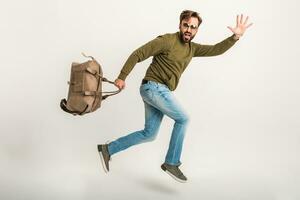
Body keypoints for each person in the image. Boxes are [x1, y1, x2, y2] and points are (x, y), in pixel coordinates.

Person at [97, 10, 253, 183]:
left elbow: (215, 50)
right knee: (184, 119)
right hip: (153, 88)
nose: (189, 30)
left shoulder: (192, 48)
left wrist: (234, 38)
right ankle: (171, 162)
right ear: (180, 25)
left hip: (157, 90)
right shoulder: (167, 41)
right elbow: (138, 53)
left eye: (193, 27)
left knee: (149, 134)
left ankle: (108, 149)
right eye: (186, 25)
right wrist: (122, 76)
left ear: (196, 30)